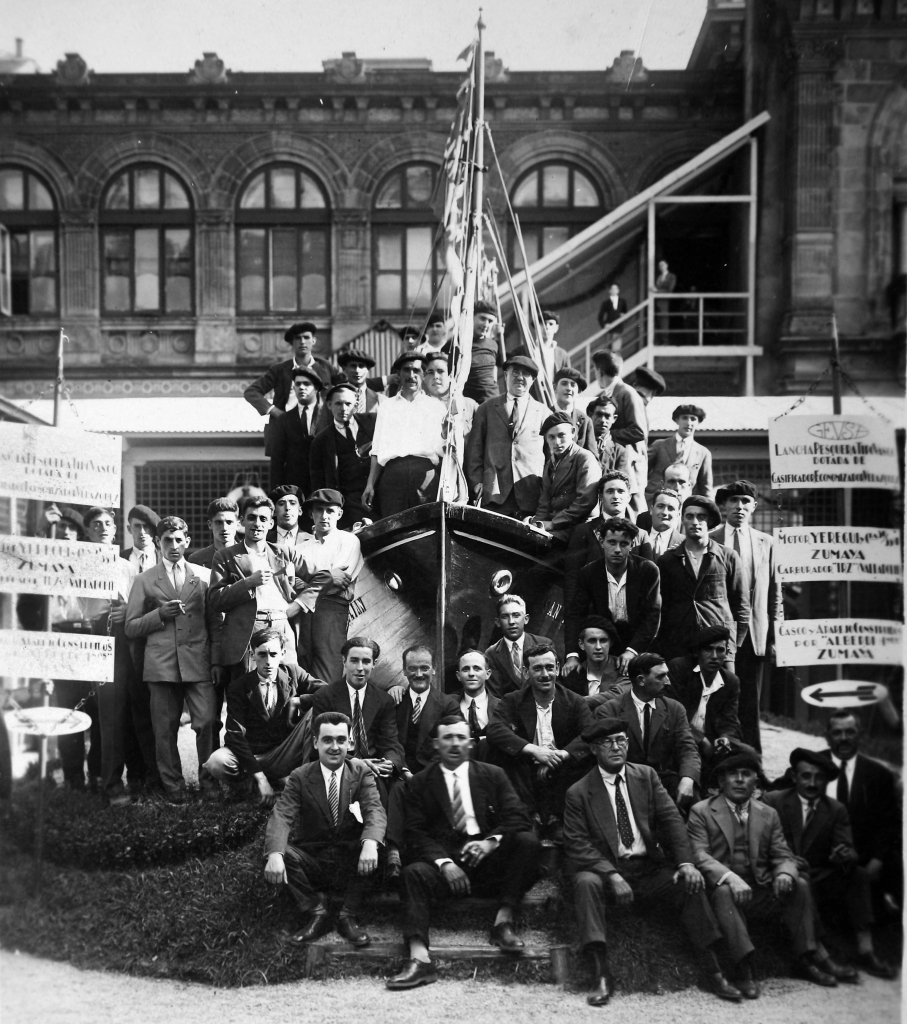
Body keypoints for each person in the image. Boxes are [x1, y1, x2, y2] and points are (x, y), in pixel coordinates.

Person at [564, 717, 741, 1006]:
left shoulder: (646, 776)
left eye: (621, 740)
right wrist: (612, 875)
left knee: (689, 883)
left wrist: (686, 864)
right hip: (609, 872)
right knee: (585, 882)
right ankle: (600, 973)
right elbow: (577, 844)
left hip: (648, 869)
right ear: (594, 749)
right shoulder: (579, 792)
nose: (616, 747)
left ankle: (713, 969)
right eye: (607, 742)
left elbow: (672, 821)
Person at [386, 715, 542, 990]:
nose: (455, 744)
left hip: (488, 864)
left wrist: (490, 842)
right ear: (436, 744)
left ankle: (503, 922)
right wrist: (445, 863)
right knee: (412, 873)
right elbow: (415, 832)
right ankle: (419, 959)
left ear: (471, 743)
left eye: (461, 737)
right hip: (447, 870)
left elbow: (518, 817)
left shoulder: (493, 774)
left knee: (527, 842)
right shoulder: (421, 782)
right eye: (448, 738)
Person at [687, 752, 845, 996]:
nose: (740, 780)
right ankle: (743, 967)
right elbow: (700, 854)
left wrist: (785, 874)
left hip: (759, 888)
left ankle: (804, 958)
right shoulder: (702, 811)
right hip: (722, 890)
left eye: (746, 774)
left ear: (756, 782)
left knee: (800, 883)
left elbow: (782, 854)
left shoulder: (767, 813)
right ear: (721, 781)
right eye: (733, 774)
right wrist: (731, 878)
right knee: (725, 892)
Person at [263, 711, 386, 948]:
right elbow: (282, 815)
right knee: (278, 851)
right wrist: (275, 854)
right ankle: (317, 913)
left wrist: (370, 843)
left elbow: (375, 810)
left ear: (350, 743)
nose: (334, 747)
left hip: (351, 861)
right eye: (327, 740)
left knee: (379, 844)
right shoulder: (300, 776)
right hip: (315, 860)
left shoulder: (360, 772)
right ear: (315, 742)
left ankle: (347, 916)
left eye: (341, 740)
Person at [124, 516, 219, 803]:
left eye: (179, 540)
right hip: (162, 664)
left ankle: (209, 783)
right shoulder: (144, 580)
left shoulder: (204, 576)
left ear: (188, 541)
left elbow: (214, 621)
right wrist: (159, 615)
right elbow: (131, 627)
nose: (174, 545)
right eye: (168, 540)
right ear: (158, 542)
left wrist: (214, 660)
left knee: (207, 721)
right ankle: (173, 787)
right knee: (164, 730)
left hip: (198, 661)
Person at [763, 750, 881, 980]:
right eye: (806, 776)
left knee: (858, 874)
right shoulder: (773, 801)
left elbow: (848, 849)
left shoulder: (835, 809)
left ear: (827, 781)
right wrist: (786, 860)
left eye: (819, 778)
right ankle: (820, 954)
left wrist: (844, 855)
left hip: (818, 874)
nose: (812, 783)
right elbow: (759, 842)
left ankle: (865, 949)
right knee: (802, 881)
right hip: (781, 874)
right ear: (794, 777)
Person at [203, 628, 324, 804]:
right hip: (253, 754)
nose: (268, 661)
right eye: (262, 654)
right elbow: (235, 736)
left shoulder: (294, 673)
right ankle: (251, 786)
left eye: (273, 654)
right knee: (217, 762)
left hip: (284, 752)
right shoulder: (239, 686)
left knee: (317, 712)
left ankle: (302, 784)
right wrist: (261, 778)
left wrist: (300, 701)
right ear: (252, 654)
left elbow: (331, 692)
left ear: (282, 653)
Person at [486, 643, 592, 841]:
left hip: (562, 767)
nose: (545, 674)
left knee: (584, 758)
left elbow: (590, 733)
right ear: (526, 672)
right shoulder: (513, 700)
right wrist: (533, 750)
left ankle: (557, 820)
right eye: (537, 668)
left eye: (549, 667)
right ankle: (531, 818)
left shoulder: (575, 701)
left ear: (558, 669)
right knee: (501, 753)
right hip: (527, 767)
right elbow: (494, 729)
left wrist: (563, 754)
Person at [710, 480, 782, 753]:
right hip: (719, 631)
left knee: (750, 700)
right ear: (724, 506)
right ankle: (720, 759)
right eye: (733, 501)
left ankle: (752, 760)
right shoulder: (711, 538)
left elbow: (775, 593)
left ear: (753, 507)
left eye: (745, 502)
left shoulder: (767, 542)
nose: (739, 507)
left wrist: (775, 637)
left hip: (753, 632)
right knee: (719, 695)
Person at [81, 506, 142, 806]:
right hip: (97, 635)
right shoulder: (80, 565)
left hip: (126, 636)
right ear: (87, 531)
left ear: (116, 530)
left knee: (132, 709)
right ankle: (111, 784)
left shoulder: (127, 567)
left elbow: (136, 603)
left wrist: (126, 610)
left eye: (108, 523)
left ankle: (139, 777)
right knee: (109, 713)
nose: (103, 528)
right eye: (96, 524)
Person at [819, 710, 902, 927]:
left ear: (860, 735)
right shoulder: (811, 766)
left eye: (850, 732)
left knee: (895, 862)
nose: (844, 738)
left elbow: (889, 824)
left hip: (864, 856)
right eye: (837, 733)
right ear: (827, 736)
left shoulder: (878, 775)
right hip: (822, 855)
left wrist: (877, 860)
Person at [591, 653, 700, 808]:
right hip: (623, 777)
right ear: (641, 680)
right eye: (660, 677)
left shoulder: (674, 709)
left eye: (667, 675)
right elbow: (607, 756)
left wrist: (688, 778)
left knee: (693, 800)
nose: (668, 682)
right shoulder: (610, 711)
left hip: (662, 779)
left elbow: (687, 747)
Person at [209, 496, 299, 679]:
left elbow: (319, 576)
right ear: (242, 521)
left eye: (263, 519)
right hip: (249, 628)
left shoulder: (283, 552)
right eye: (251, 518)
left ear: (271, 524)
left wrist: (301, 603)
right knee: (250, 688)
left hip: (281, 625)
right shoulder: (225, 556)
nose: (257, 523)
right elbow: (215, 600)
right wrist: (248, 583)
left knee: (287, 684)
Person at [655, 495, 750, 666]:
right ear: (682, 519)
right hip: (679, 647)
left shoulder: (728, 556)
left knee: (723, 684)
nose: (695, 522)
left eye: (701, 517)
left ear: (710, 521)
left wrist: (732, 645)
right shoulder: (667, 560)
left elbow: (741, 605)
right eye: (689, 516)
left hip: (718, 647)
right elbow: (662, 607)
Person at [564, 517, 661, 676]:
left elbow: (652, 617)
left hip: (638, 643)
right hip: (602, 642)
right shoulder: (589, 573)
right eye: (612, 542)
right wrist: (572, 655)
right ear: (601, 542)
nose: (617, 549)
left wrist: (632, 651)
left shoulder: (648, 570)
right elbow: (575, 615)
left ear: (632, 545)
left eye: (624, 544)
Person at [308, 637, 404, 790]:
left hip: (374, 769)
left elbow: (390, 742)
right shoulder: (325, 696)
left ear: (374, 664)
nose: (360, 668)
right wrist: (356, 763)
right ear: (344, 661)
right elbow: (321, 744)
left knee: (392, 788)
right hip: (338, 765)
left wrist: (390, 763)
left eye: (366, 661)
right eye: (354, 661)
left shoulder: (384, 700)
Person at [465, 354, 550, 520]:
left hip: (531, 494)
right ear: (505, 375)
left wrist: (545, 489)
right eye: (515, 372)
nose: (520, 377)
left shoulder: (543, 413)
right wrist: (477, 482)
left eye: (526, 374)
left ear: (533, 380)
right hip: (494, 492)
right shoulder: (486, 409)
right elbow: (474, 451)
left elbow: (550, 456)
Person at [291, 489, 363, 684]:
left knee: (327, 676)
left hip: (331, 612)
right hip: (302, 616)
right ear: (311, 514)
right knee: (302, 674)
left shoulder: (348, 541)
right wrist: (326, 577)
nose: (324, 516)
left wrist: (306, 583)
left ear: (339, 513)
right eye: (319, 510)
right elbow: (291, 583)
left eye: (330, 511)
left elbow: (339, 581)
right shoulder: (299, 549)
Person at [363, 352, 446, 519]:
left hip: (425, 475)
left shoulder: (436, 407)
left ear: (424, 374)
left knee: (426, 527)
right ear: (398, 374)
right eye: (406, 370)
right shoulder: (387, 406)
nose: (411, 375)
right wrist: (370, 484)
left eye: (416, 370)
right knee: (394, 526)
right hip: (393, 476)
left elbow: (444, 451)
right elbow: (377, 450)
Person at [243, 321, 340, 455]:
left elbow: (345, 386)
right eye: (298, 338)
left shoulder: (325, 367)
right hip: (288, 431)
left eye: (306, 337)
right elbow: (251, 392)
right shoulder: (280, 370)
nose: (302, 342)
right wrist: (274, 411)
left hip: (320, 429)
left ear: (313, 340)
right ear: (292, 343)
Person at [666, 626, 742, 768]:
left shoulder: (730, 681)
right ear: (697, 652)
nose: (714, 656)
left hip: (711, 743)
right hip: (678, 739)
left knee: (748, 755)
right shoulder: (680, 668)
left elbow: (730, 720)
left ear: (726, 653)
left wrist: (725, 738)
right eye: (708, 649)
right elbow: (672, 715)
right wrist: (700, 740)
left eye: (720, 650)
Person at [308, 382, 375, 531]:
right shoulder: (320, 441)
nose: (343, 408)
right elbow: (318, 483)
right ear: (329, 405)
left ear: (356, 405)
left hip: (378, 496)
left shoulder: (373, 423)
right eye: (338, 403)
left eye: (348, 404)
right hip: (348, 504)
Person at [530, 412, 601, 545]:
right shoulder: (550, 463)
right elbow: (544, 502)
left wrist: (553, 523)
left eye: (561, 435)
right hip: (556, 526)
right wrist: (536, 524)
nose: (557, 442)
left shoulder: (584, 458)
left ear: (573, 432)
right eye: (551, 437)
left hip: (579, 527)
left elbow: (585, 502)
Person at [393, 646, 461, 777]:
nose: (419, 674)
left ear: (434, 669)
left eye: (424, 668)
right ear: (404, 670)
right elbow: (389, 742)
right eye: (412, 669)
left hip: (433, 776)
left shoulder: (448, 705)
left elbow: (449, 746)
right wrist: (404, 771)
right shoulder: (395, 701)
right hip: (399, 773)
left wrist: (422, 778)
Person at [269, 366, 325, 496]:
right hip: (294, 487)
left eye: (307, 384)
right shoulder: (283, 420)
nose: (301, 387)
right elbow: (277, 460)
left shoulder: (328, 416)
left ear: (316, 388)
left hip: (322, 484)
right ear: (293, 388)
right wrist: (276, 493)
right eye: (298, 384)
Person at [483, 594, 553, 697]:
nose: (511, 622)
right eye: (505, 617)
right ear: (498, 622)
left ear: (526, 619)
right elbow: (495, 696)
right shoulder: (491, 654)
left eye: (516, 615)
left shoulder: (544, 645)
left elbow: (553, 685)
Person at [646, 404, 713, 503]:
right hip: (655, 501)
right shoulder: (659, 445)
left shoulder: (703, 453)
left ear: (698, 422)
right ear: (677, 420)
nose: (688, 423)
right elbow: (641, 471)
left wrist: (709, 507)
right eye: (684, 418)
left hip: (684, 504)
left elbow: (706, 488)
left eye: (693, 419)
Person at [422, 350, 476, 465]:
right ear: (424, 378)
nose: (436, 376)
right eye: (430, 372)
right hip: (432, 471)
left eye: (441, 371)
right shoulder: (419, 408)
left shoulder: (469, 406)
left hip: (465, 469)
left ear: (451, 375)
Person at [561, 616, 628, 701]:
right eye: (592, 641)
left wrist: (578, 702)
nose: (598, 647)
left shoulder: (622, 669)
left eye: (603, 641)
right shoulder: (574, 675)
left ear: (610, 643)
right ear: (581, 644)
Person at [453, 649, 499, 763]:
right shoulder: (448, 704)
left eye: (477, 668)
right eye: (465, 669)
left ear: (488, 674)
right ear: (458, 676)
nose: (471, 673)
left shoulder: (501, 706)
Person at [456, 300, 503, 404]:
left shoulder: (493, 344)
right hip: (468, 403)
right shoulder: (457, 344)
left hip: (492, 401)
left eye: (490, 321)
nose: (486, 324)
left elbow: (498, 368)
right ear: (471, 317)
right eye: (482, 318)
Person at [551, 367, 597, 455]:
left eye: (573, 385)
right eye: (564, 383)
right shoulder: (544, 415)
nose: (569, 388)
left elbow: (592, 458)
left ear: (578, 391)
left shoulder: (585, 421)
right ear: (555, 388)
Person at [188, 497, 240, 571]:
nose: (224, 528)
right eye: (219, 522)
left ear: (238, 525)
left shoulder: (249, 557)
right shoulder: (196, 560)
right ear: (210, 525)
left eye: (229, 522)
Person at [266, 485, 312, 564]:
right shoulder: (265, 540)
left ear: (300, 511)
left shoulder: (312, 540)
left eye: (292, 503)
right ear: (274, 512)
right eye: (281, 504)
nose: (287, 508)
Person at [586, 395, 630, 475]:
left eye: (607, 416)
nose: (603, 420)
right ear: (590, 415)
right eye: (599, 414)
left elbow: (621, 480)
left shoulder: (619, 452)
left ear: (614, 419)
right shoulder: (581, 445)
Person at [636, 487, 684, 560]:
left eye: (671, 508)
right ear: (651, 510)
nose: (665, 512)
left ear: (678, 515)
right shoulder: (636, 540)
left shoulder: (685, 543)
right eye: (660, 506)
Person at [336, 348, 382, 419]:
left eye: (361, 366)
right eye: (353, 366)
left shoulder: (381, 400)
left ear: (368, 369)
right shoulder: (334, 397)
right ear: (344, 369)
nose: (357, 371)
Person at [122, 504, 160, 574]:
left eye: (146, 526)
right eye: (137, 526)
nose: (142, 532)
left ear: (153, 529)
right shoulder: (120, 558)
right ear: (129, 529)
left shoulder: (165, 558)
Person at [596, 283, 629, 348]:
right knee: (608, 348)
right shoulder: (605, 303)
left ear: (618, 290)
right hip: (609, 327)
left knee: (616, 348)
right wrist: (604, 325)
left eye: (616, 288)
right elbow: (600, 317)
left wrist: (623, 316)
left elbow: (625, 313)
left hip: (618, 327)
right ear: (610, 291)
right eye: (612, 289)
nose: (614, 290)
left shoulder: (622, 301)